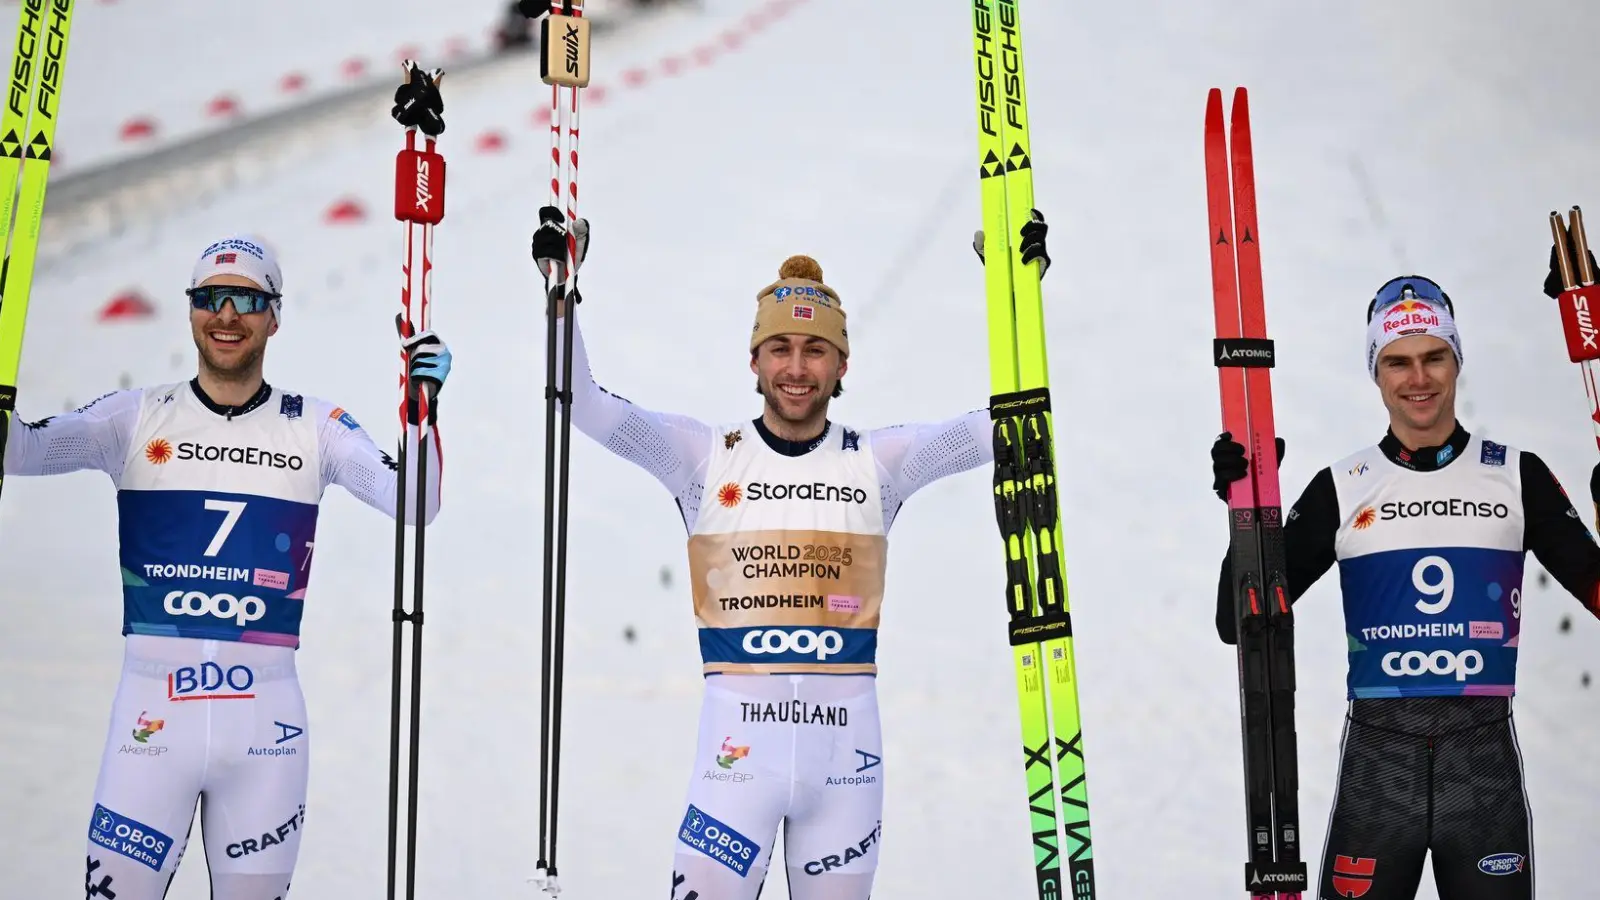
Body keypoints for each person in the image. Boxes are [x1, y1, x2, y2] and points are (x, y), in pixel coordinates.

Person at [532, 206, 1049, 900]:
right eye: (781, 349)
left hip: (846, 776)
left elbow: (1008, 431)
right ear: (754, 360)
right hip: (733, 775)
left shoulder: (878, 463)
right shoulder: (703, 459)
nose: (797, 369)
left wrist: (1017, 294)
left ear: (842, 365)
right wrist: (560, 297)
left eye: (815, 351)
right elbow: (585, 405)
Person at [4, 235, 451, 900]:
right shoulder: (133, 418)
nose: (226, 315)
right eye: (210, 298)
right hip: (150, 727)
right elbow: (23, 453)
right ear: (190, 312)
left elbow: (416, 502)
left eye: (246, 299)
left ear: (274, 315)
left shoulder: (315, 426)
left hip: (265, 736)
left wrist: (424, 409)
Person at [1209, 270, 1600, 900]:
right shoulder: (1346, 485)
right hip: (1378, 766)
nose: (1418, 379)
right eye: (1397, 362)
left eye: (1433, 358)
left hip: (1482, 767)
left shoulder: (1514, 477)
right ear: (1377, 373)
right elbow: (1241, 622)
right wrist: (1249, 509)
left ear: (1455, 361)